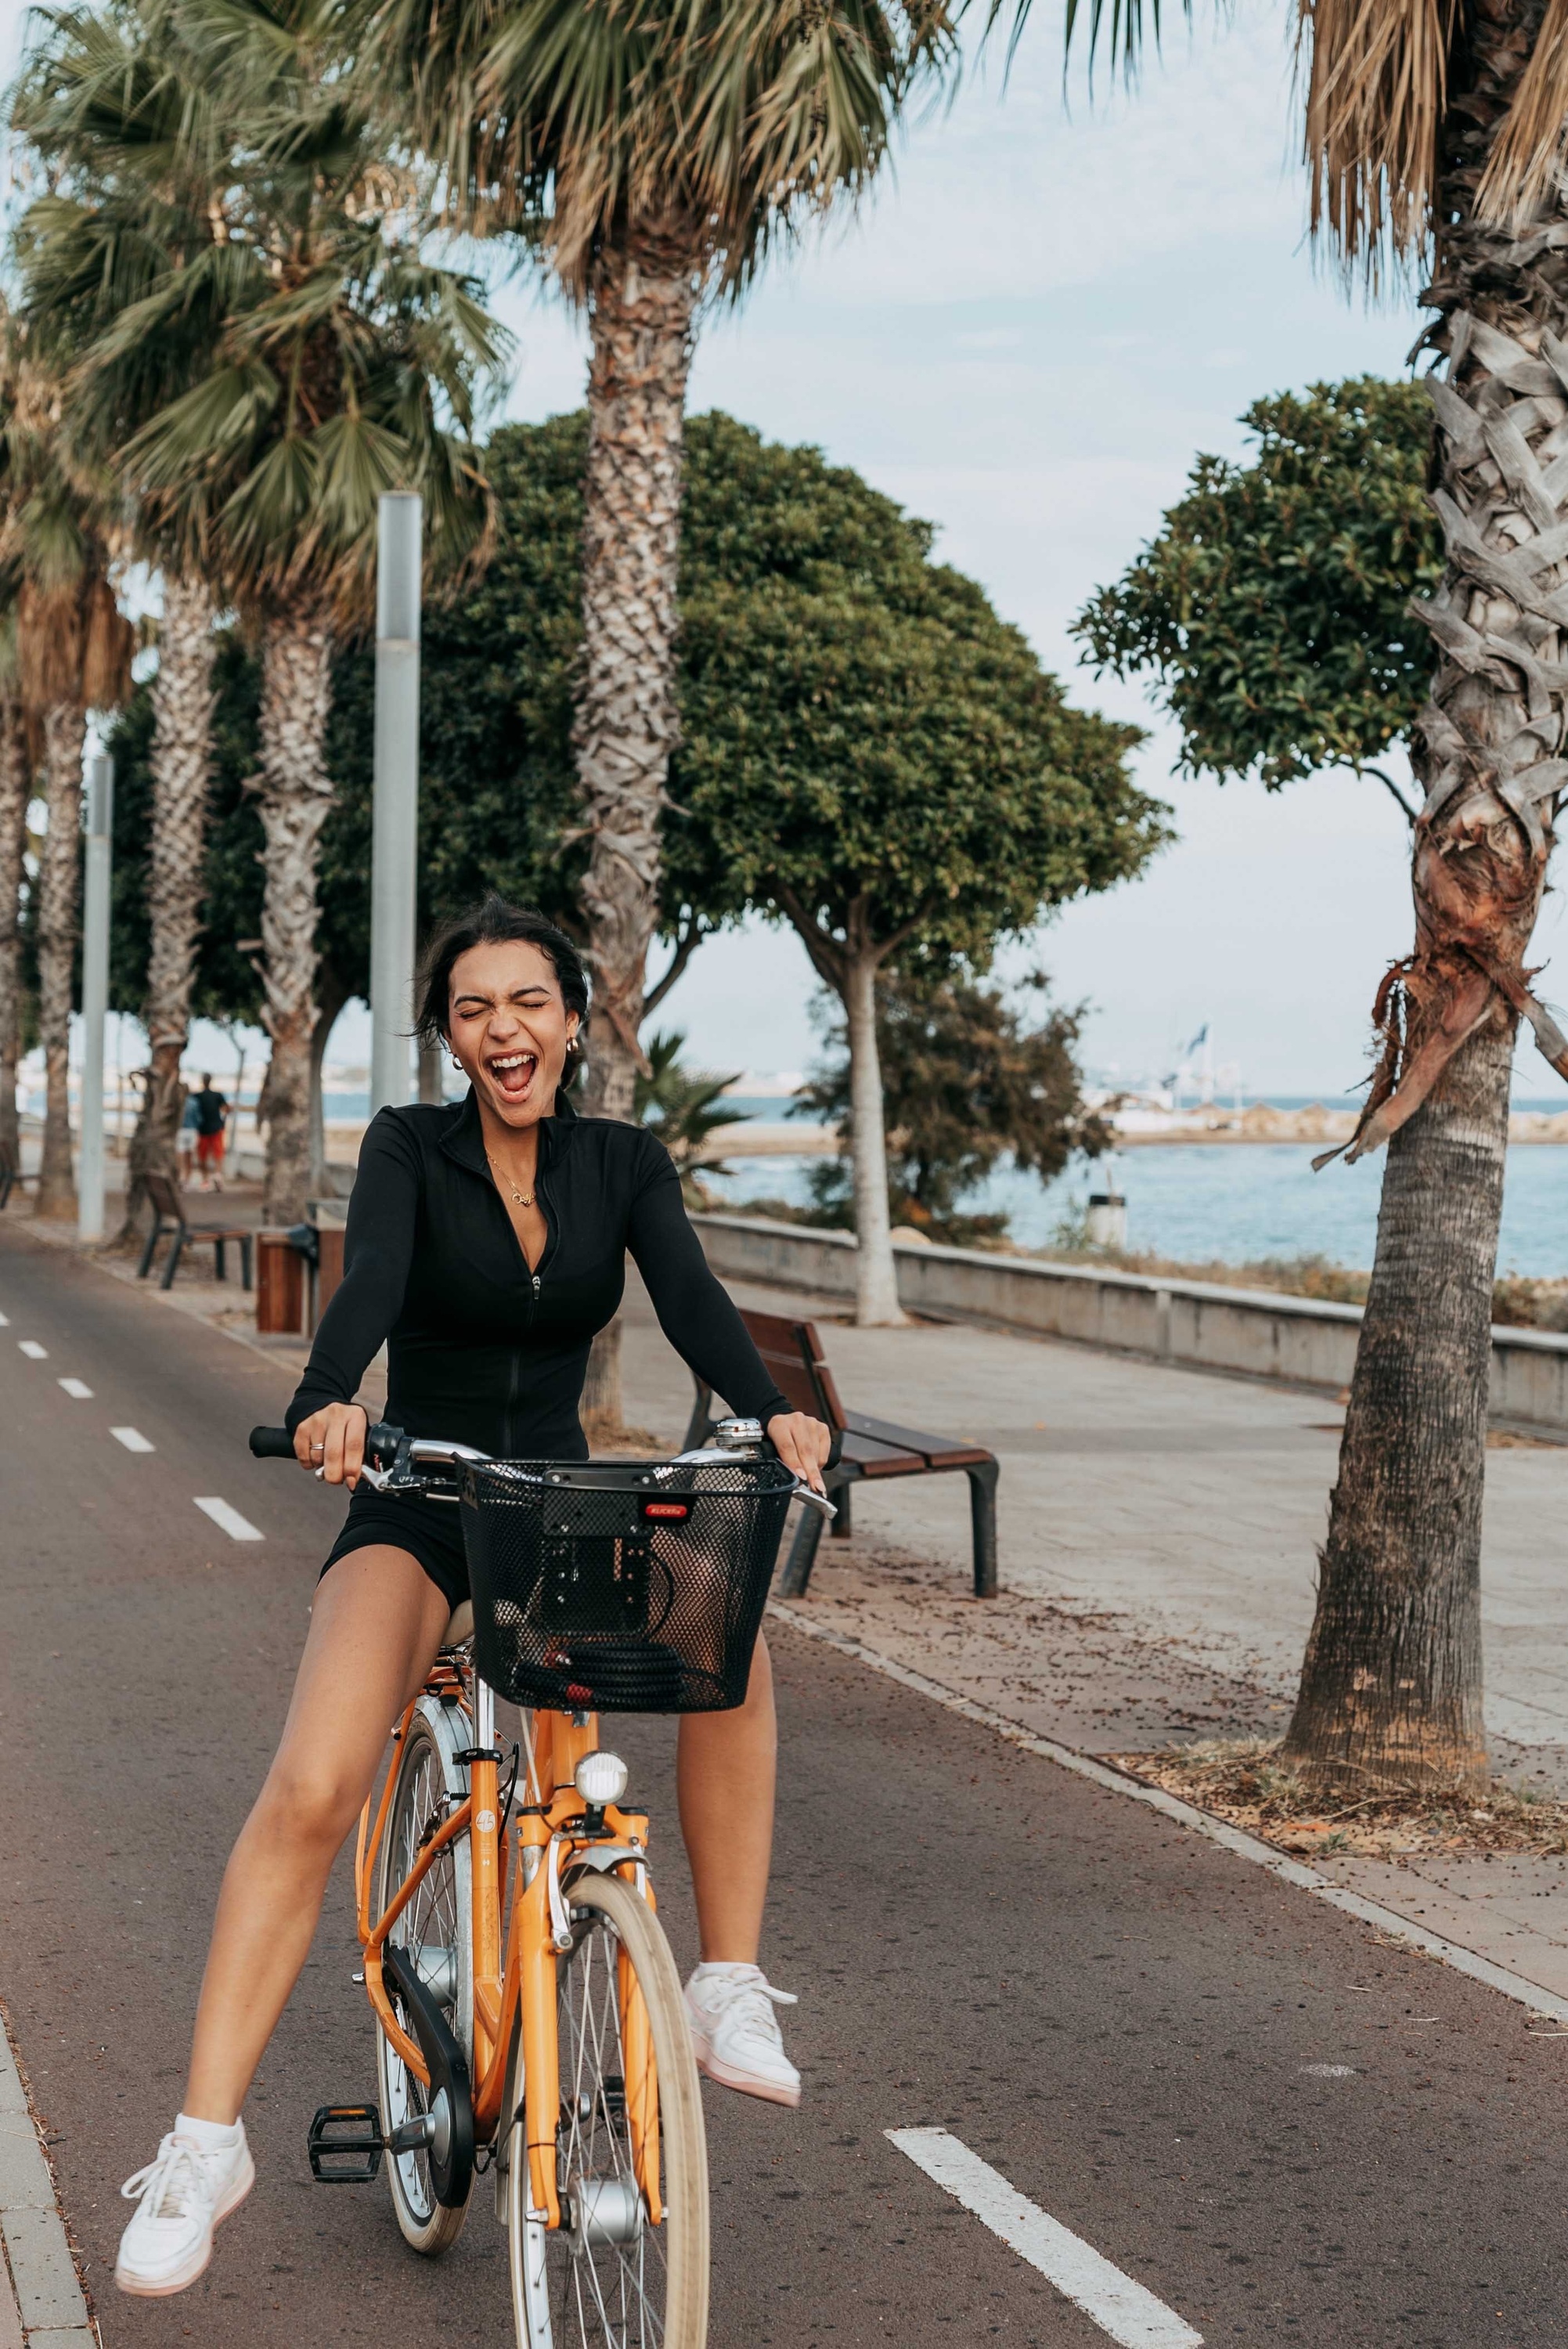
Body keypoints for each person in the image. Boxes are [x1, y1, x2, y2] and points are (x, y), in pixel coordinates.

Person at [114, 895, 831, 2298]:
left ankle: (722, 1981)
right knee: (317, 1784)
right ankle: (207, 2141)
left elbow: (689, 1297)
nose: (503, 1030)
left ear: (572, 1018)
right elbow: (369, 1276)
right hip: (425, 1503)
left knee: (725, 1637)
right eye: (472, 1010)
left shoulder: (621, 1160)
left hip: (555, 1507)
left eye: (527, 1004)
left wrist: (770, 1411)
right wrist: (328, 1398)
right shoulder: (408, 1148)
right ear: (451, 1036)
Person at [191, 1075, 229, 1193]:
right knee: (218, 1154)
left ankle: (205, 1180)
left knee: (203, 1157)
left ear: (203, 1081)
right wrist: (223, 1121)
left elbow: (192, 1110)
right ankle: (217, 1175)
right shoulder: (217, 1095)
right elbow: (226, 1108)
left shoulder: (198, 1096)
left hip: (203, 1129)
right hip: (216, 1128)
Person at [177, 1088, 200, 1188]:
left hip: (181, 1130)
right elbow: (199, 1119)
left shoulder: (178, 1102)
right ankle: (187, 1180)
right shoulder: (194, 1102)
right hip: (192, 1130)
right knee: (189, 1157)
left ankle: (180, 1177)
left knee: (180, 1156)